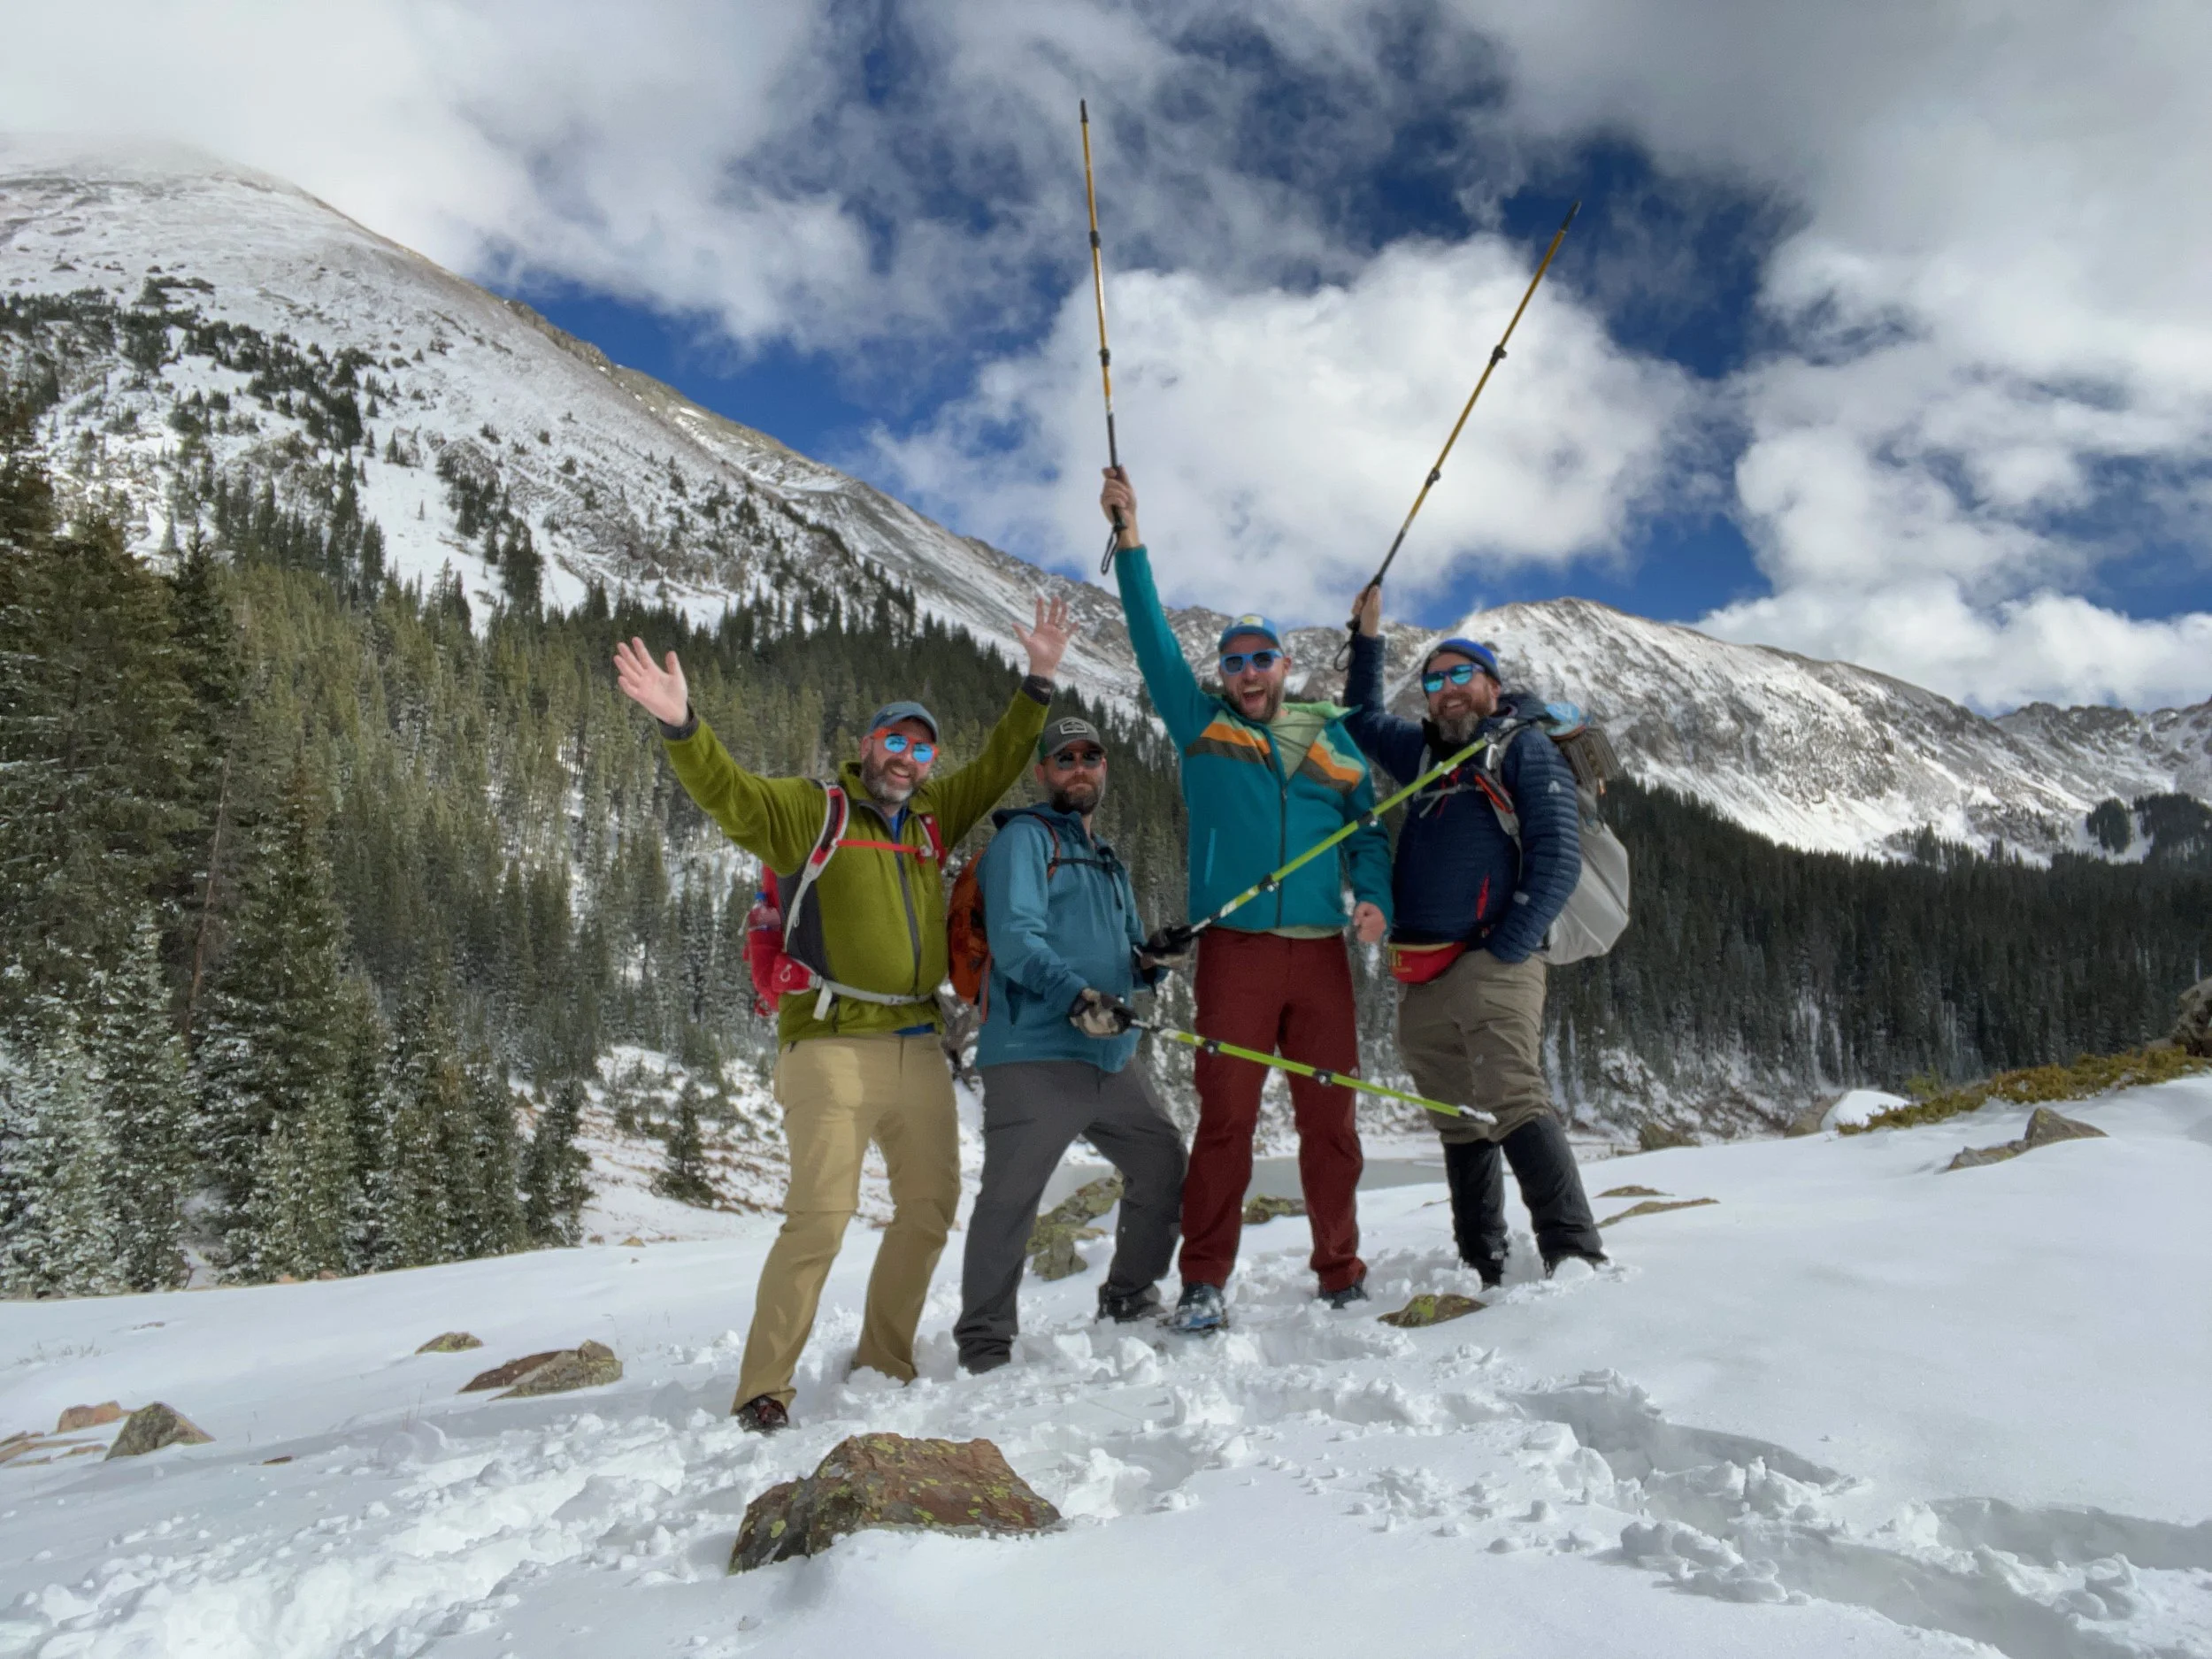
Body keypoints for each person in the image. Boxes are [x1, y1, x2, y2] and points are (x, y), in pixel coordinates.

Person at [612, 596, 1077, 1432]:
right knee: (820, 1219)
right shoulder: (813, 811)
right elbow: (732, 797)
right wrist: (682, 726)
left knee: (929, 1209)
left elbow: (1004, 757)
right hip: (828, 1042)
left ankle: (884, 1360)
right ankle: (764, 1387)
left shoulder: (932, 819)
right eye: (894, 740)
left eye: (921, 747)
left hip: (918, 1043)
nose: (906, 756)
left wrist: (1039, 678)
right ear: (867, 745)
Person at [1102, 468, 1392, 1333]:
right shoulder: (1202, 726)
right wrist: (1129, 536)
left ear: (1284, 666)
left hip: (1322, 956)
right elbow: (1151, 638)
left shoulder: (1332, 739)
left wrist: (1373, 898)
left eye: (1262, 658)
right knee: (1226, 1121)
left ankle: (1339, 1269)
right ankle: (1203, 1280)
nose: (1248, 672)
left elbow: (1368, 833)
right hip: (1236, 956)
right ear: (1222, 675)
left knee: (1331, 1121)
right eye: (1234, 661)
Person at [1342, 583, 1604, 1285]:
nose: (1448, 689)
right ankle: (1481, 1255)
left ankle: (1573, 1248)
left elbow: (1557, 857)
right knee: (1458, 1116)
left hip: (1493, 960)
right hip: (1422, 970)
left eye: (1462, 674)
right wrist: (1368, 639)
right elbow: (1361, 718)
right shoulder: (1425, 752)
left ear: (1492, 684)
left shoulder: (1523, 748)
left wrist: (1508, 946)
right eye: (1434, 680)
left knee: (1514, 1096)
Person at [953, 716, 1189, 1372]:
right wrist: (1077, 997)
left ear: (1104, 768)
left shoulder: (1107, 857)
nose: (1079, 767)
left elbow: (1126, 959)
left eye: (1091, 756)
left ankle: (1129, 1295)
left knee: (1163, 1163)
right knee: (1010, 1198)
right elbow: (1017, 939)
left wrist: (1154, 959)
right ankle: (985, 1342)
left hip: (1109, 1057)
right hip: (1033, 1054)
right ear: (1043, 772)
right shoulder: (1024, 841)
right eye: (1065, 758)